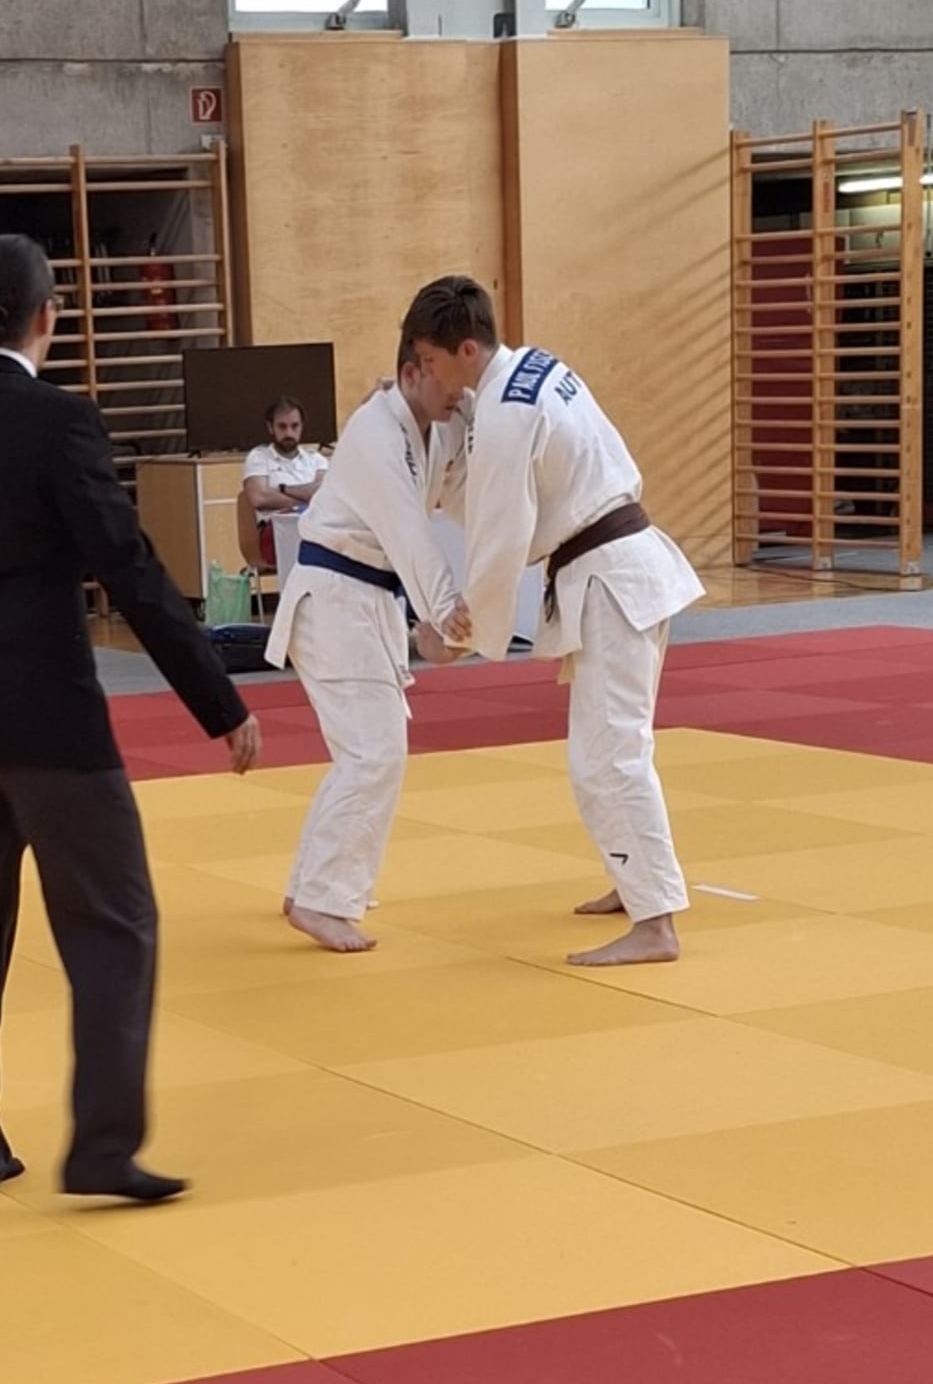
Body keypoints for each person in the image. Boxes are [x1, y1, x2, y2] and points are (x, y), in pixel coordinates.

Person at [0, 232, 261, 1206]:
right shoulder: (59, 423)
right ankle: (102, 1147)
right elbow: (129, 568)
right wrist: (218, 700)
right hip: (47, 724)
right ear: (50, 316)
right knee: (115, 922)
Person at [402, 273, 703, 968]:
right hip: (618, 568)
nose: (430, 376)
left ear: (466, 349)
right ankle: (636, 885)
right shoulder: (531, 370)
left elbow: (502, 536)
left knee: (608, 755)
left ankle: (656, 924)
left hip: (611, 578)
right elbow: (508, 502)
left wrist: (459, 633)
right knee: (608, 748)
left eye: (432, 360)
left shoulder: (507, 412)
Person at [268, 349, 471, 952]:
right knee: (373, 754)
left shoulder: (439, 424)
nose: (459, 393)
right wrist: (448, 620)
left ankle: (309, 887)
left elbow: (464, 497)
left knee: (363, 752)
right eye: (449, 381)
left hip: (363, 602)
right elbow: (411, 537)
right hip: (336, 601)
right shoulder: (377, 434)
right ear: (412, 372)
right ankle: (322, 899)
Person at [240, 396, 328, 567]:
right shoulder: (258, 458)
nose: (289, 433)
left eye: (294, 426)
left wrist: (282, 489)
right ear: (270, 427)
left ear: (302, 426)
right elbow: (259, 499)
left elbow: (323, 494)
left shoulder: (316, 460)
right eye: (282, 426)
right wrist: (307, 497)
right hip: (274, 533)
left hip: (314, 526)